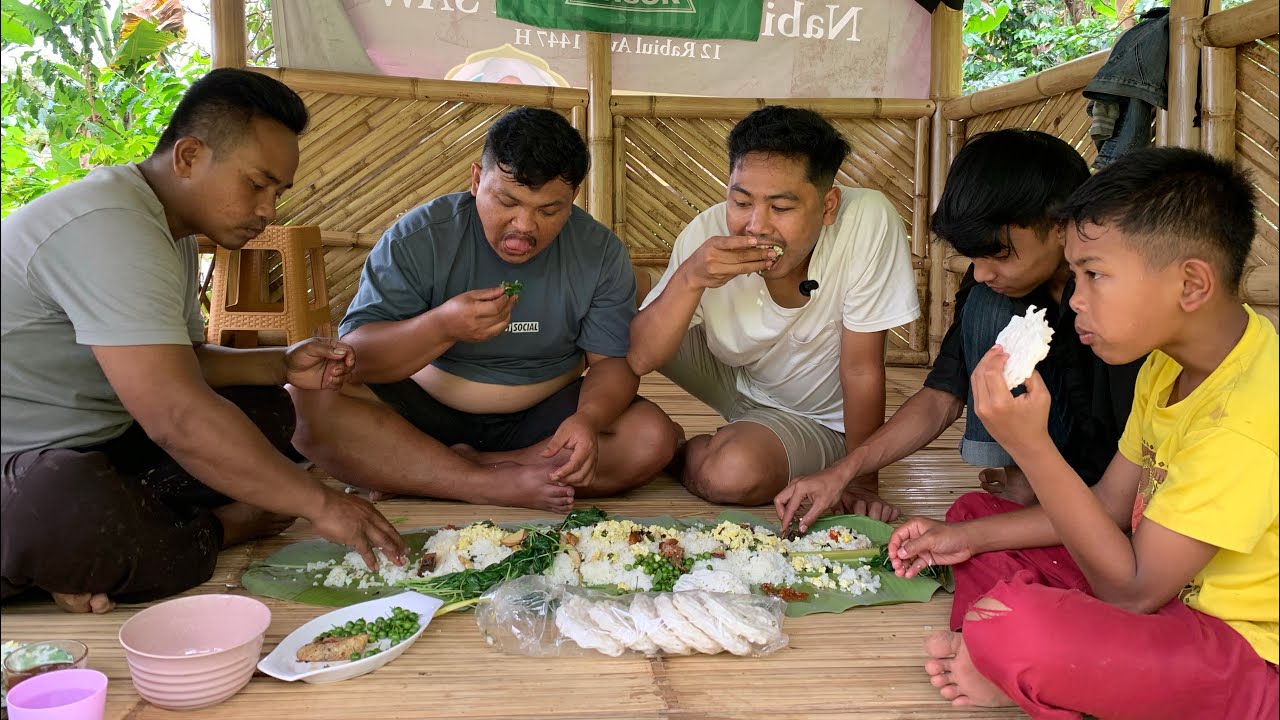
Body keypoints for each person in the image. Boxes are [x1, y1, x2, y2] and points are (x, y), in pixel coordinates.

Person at [890, 147, 1278, 719]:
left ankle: (1016, 666)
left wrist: (1031, 445)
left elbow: (1133, 590)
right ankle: (1020, 667)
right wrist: (968, 540)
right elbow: (1109, 505)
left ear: (1191, 284)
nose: (1075, 300)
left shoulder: (1246, 418)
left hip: (1235, 651)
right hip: (1153, 598)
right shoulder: (1168, 364)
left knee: (1018, 630)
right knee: (974, 518)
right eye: (1076, 275)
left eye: (1094, 274)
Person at [0, 68, 406, 614]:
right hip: (25, 464)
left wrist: (282, 364)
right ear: (189, 157)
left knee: (267, 414)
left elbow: (185, 363)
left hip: (103, 443)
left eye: (277, 192)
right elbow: (176, 416)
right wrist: (322, 503)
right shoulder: (110, 228)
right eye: (256, 184)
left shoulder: (172, 229)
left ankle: (89, 555)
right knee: (63, 500)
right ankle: (208, 530)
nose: (268, 210)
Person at [289, 107, 678, 513]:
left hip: (542, 417)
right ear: (477, 180)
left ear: (574, 197)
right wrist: (441, 326)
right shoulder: (421, 237)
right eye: (507, 201)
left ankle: (441, 472)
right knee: (304, 401)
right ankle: (486, 482)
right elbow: (356, 358)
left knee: (651, 438)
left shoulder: (599, 252)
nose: (524, 226)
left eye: (549, 210)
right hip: (423, 410)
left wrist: (589, 421)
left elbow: (610, 364)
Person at [776, 129, 1145, 530]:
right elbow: (941, 397)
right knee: (989, 302)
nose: (983, 272)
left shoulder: (1122, 299)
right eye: (974, 257)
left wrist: (968, 536)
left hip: (1125, 473)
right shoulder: (994, 282)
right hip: (1056, 460)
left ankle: (1037, 490)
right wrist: (843, 472)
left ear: (1059, 226)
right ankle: (1022, 480)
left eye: (999, 254)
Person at [627, 106, 921, 516]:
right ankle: (728, 434)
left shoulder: (866, 221)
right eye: (741, 201)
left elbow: (861, 369)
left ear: (829, 205)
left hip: (812, 417)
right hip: (733, 378)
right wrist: (690, 277)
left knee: (728, 474)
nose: (756, 225)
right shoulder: (708, 229)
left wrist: (860, 480)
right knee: (633, 303)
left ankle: (675, 449)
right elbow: (640, 356)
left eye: (781, 208)